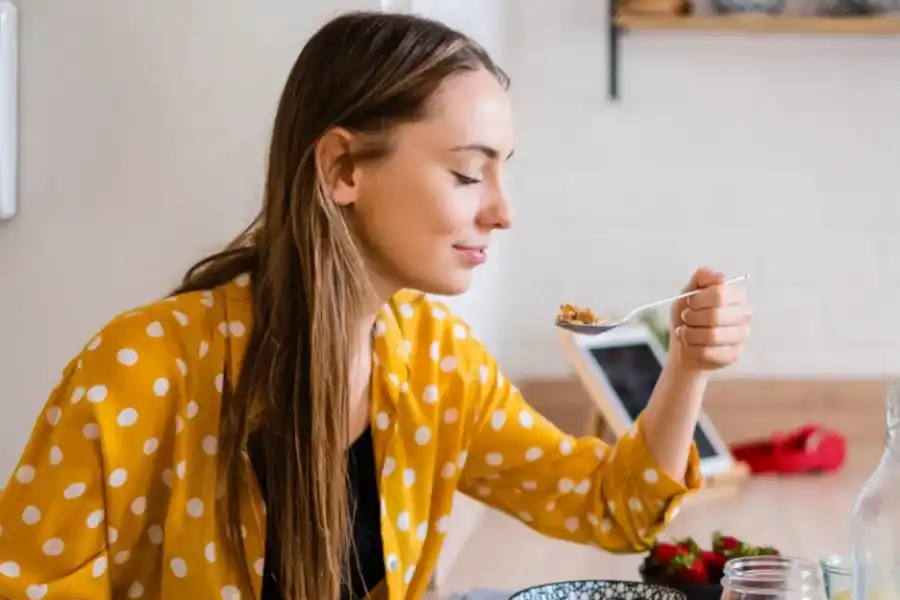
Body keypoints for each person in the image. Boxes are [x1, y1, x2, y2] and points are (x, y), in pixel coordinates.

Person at [0, 10, 752, 600]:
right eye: (467, 174)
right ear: (343, 168)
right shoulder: (141, 368)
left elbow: (606, 507)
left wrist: (687, 369)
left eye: (503, 173)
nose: (502, 211)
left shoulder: (436, 363)